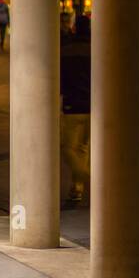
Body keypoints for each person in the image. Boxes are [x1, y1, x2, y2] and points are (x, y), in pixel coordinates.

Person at [59, 14, 92, 208]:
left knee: (67, 148)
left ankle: (87, 178)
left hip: (73, 106)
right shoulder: (96, 50)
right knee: (82, 148)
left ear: (74, 29)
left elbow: (61, 79)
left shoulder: (67, 50)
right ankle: (76, 188)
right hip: (92, 106)